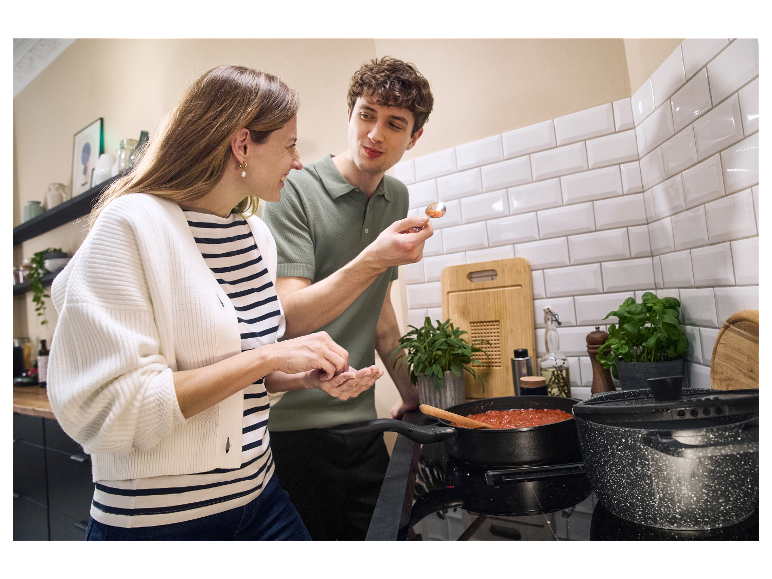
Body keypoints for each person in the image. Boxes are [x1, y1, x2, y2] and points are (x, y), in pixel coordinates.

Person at [47, 65, 383, 541]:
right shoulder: (131, 226)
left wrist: (296, 377)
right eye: (289, 145)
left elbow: (238, 376)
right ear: (242, 144)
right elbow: (112, 407)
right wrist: (267, 356)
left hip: (261, 498)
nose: (298, 161)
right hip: (160, 523)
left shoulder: (255, 237)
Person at [262, 56, 435, 540]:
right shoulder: (294, 189)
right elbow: (289, 319)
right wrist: (375, 258)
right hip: (294, 431)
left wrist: (413, 392)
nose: (375, 134)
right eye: (366, 115)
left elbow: (379, 314)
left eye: (394, 124)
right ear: (350, 112)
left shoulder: (394, 197)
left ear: (413, 137)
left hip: (362, 424)